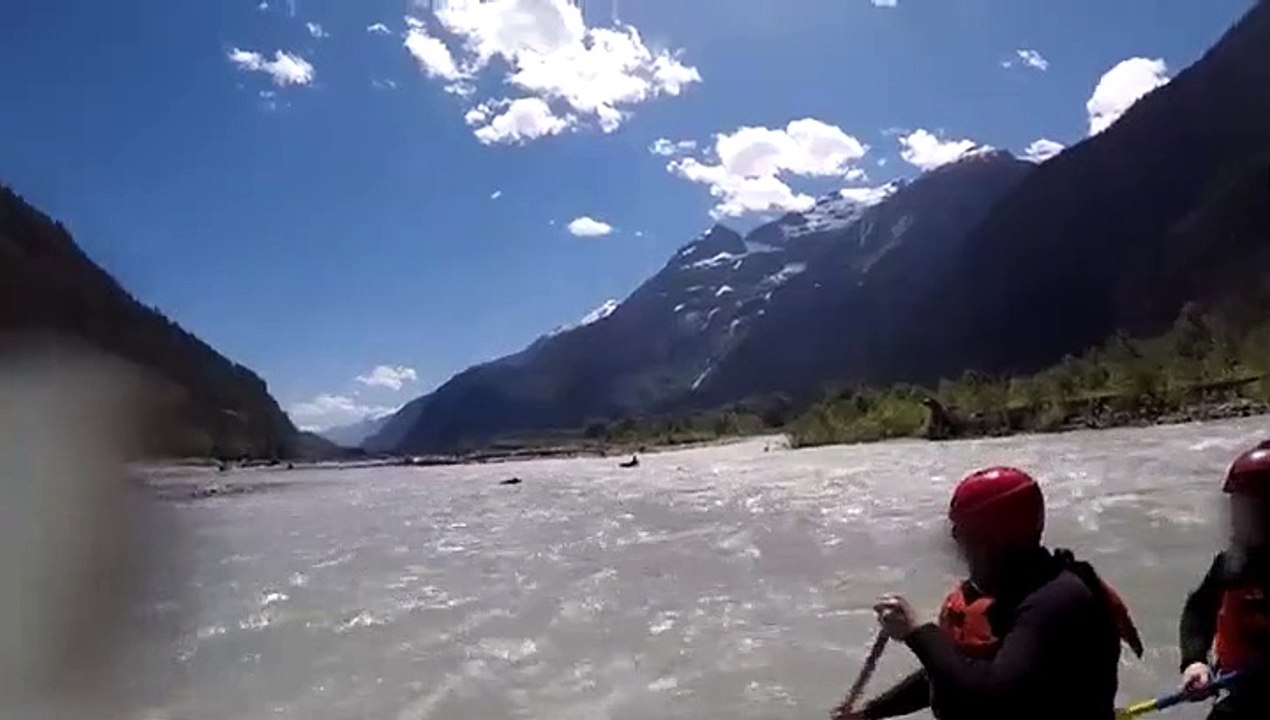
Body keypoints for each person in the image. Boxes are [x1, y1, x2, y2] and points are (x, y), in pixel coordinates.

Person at [833, 467, 1143, 720]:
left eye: (962, 534)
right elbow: (955, 671)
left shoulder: (1055, 602)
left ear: (994, 539)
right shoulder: (1015, 592)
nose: (956, 545)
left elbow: (991, 699)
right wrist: (870, 714)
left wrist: (917, 632)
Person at [1177, 442, 1270, 719]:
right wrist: (1194, 662)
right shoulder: (1232, 563)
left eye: (1246, 510)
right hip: (1240, 696)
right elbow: (1198, 610)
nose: (1234, 522)